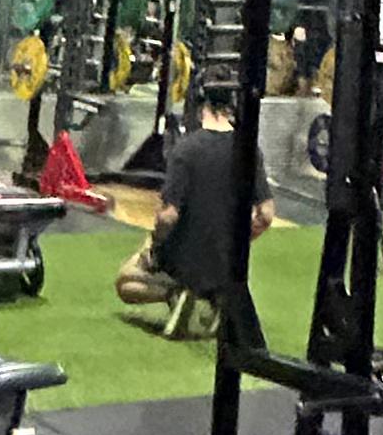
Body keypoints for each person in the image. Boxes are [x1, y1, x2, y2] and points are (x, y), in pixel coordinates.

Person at [117, 82, 273, 318]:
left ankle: (176, 294)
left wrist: (154, 245)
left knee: (125, 281)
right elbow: (266, 214)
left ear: (200, 106)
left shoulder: (185, 150)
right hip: (228, 265)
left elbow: (169, 216)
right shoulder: (249, 150)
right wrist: (237, 243)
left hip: (184, 262)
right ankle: (211, 296)